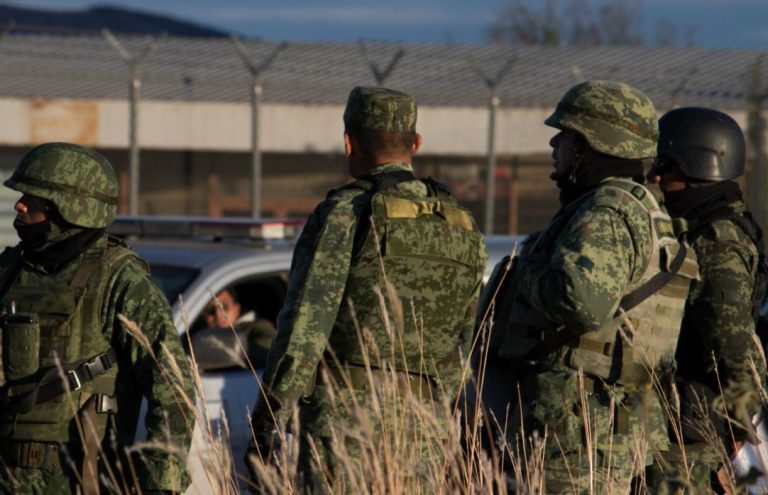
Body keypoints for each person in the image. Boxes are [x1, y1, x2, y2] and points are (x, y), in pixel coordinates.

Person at [245, 86, 487, 490]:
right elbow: (466, 337)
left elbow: (305, 326)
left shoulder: (344, 214)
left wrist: (268, 419)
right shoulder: (461, 224)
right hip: (423, 431)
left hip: (346, 426)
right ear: (416, 144)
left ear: (348, 143)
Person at [481, 80, 698, 493]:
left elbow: (581, 300)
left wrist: (524, 268)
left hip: (580, 432)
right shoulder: (632, 207)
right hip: (593, 426)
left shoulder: (607, 212)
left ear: (593, 145)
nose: (555, 143)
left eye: (567, 135)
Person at [0, 143, 195, 494]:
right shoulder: (9, 271)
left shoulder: (120, 280)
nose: (19, 204)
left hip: (78, 480)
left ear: (69, 207)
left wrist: (162, 482)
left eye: (34, 196)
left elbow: (173, 388)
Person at [645, 107, 768, 493]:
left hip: (699, 434)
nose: (656, 177)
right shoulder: (699, 231)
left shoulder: (717, 242)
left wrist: (741, 426)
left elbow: (730, 346)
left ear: (698, 166)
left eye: (666, 165)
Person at [194, 287, 277, 370]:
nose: (218, 315)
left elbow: (268, 350)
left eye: (224, 306)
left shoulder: (259, 328)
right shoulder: (193, 335)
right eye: (209, 309)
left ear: (236, 309)